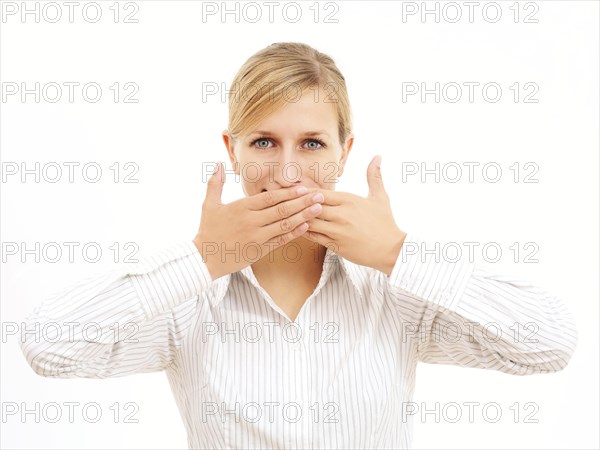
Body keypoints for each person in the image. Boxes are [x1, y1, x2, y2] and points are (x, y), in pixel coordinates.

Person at [20, 42, 578, 449]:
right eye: (264, 141)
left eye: (312, 144)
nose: (288, 173)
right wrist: (203, 259)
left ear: (344, 151)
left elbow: (551, 342)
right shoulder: (189, 298)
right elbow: (48, 346)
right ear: (231, 151)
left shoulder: (394, 293)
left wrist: (398, 253)